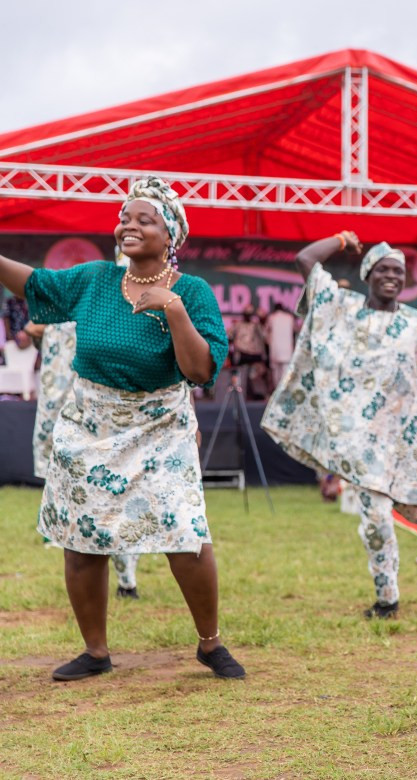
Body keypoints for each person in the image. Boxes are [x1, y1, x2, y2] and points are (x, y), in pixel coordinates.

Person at [0, 177, 244, 681]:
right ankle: (95, 652)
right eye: (125, 217)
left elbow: (201, 371)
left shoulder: (192, 292)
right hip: (89, 426)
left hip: (161, 426)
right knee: (82, 538)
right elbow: (35, 284)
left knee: (186, 533)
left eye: (144, 219)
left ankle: (209, 643)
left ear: (170, 234)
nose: (129, 225)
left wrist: (173, 309)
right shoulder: (94, 280)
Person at [263, 234, 417, 619]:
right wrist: (340, 241)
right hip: (360, 440)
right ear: (368, 274)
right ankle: (387, 598)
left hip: (406, 437)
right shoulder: (343, 308)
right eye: (384, 269)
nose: (392, 277)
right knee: (376, 517)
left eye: (399, 272)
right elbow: (305, 258)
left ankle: (394, 548)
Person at [27, 298, 143, 599]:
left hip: (102, 425)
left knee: (112, 500)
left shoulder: (95, 319)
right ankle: (123, 579)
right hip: (86, 425)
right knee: (102, 503)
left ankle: (125, 577)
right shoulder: (96, 318)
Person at [228, 304, 267, 399]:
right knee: (240, 376)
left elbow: (264, 337)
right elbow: (229, 337)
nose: (248, 316)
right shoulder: (237, 325)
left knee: (256, 375)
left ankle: (258, 395)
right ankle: (241, 394)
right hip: (242, 355)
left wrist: (261, 320)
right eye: (247, 314)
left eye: (250, 314)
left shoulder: (256, 326)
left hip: (254, 355)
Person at [265, 301, 296, 391]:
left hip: (275, 350)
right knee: (285, 373)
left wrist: (268, 342)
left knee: (276, 373)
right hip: (287, 350)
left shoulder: (271, 317)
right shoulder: (290, 318)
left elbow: (266, 333)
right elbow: (296, 331)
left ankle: (277, 393)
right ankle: (284, 392)